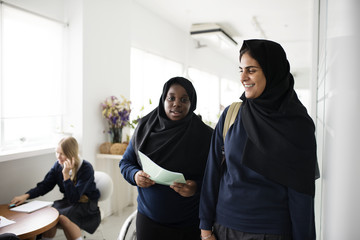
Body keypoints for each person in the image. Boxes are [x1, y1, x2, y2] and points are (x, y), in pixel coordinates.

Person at [199, 39, 318, 240]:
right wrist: (205, 228)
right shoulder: (232, 115)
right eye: (241, 70)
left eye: (251, 70)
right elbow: (212, 172)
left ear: (272, 73)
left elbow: (301, 196)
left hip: (272, 232)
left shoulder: (297, 125)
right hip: (224, 228)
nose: (243, 77)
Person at [120, 76, 213, 240]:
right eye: (171, 98)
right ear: (163, 99)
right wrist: (135, 175)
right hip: (149, 221)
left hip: (188, 225)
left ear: (192, 104)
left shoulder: (205, 136)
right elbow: (126, 162)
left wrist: (195, 187)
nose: (177, 103)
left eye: (184, 100)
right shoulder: (144, 128)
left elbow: (215, 177)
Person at [10, 137, 101, 240]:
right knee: (50, 214)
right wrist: (25, 196)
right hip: (68, 202)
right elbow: (45, 185)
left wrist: (66, 175)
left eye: (62, 153)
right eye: (57, 152)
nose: (58, 157)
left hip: (86, 205)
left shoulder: (86, 168)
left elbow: (74, 198)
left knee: (62, 217)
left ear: (71, 153)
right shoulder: (58, 166)